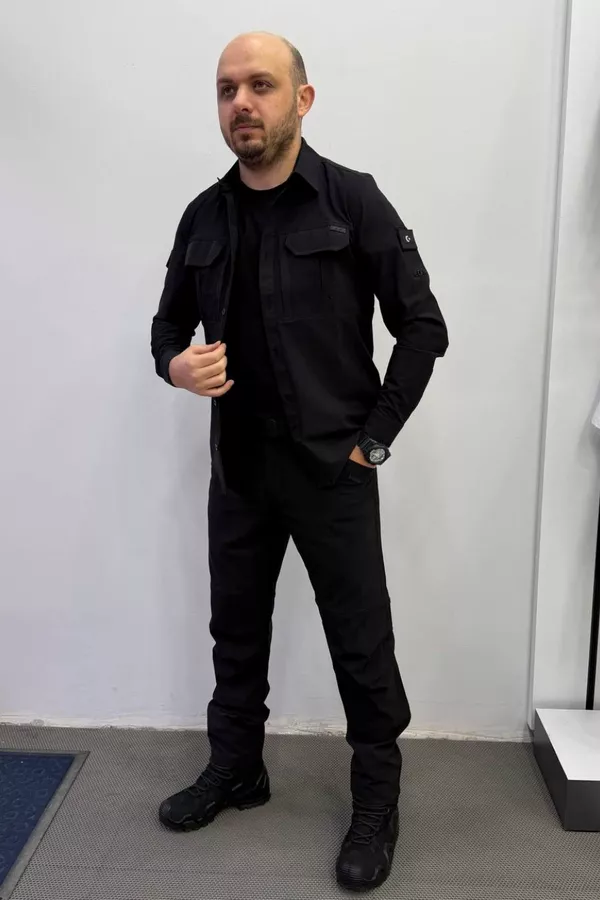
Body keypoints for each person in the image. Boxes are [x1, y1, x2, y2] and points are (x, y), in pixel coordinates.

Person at [151, 31, 448, 893]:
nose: (241, 103)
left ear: (302, 100)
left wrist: (372, 441)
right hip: (239, 471)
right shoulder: (202, 216)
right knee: (236, 631)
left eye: (261, 85)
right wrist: (174, 366)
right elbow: (167, 328)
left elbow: (423, 329)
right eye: (226, 89)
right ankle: (238, 768)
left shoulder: (353, 200)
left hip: (332, 471)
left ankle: (377, 802)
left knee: (361, 641)